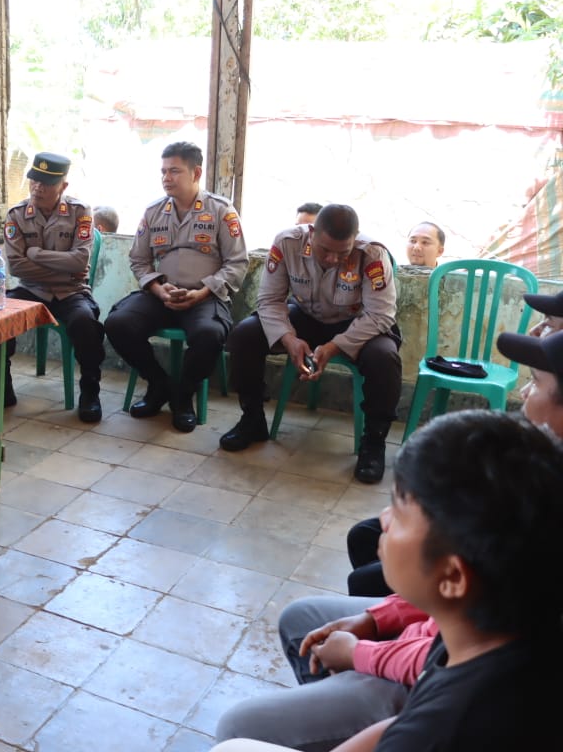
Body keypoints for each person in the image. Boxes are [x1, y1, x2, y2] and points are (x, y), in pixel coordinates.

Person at [212, 409, 563, 752]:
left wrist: (360, 655)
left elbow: (413, 729)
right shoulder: (488, 624)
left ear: (452, 577)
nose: (382, 519)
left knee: (232, 744)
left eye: (399, 510)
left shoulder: (443, 729)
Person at [344, 288, 563, 598]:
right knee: (366, 538)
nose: (535, 331)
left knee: (365, 580)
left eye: (550, 322)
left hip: (481, 583)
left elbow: (498, 568)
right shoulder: (539, 440)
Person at [220, 204, 401, 484]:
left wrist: (335, 346)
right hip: (305, 315)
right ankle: (252, 419)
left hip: (356, 322)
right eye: (325, 250)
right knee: (244, 335)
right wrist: (288, 338)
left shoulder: (372, 254)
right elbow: (269, 300)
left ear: (354, 239)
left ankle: (374, 442)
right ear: (312, 233)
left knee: (385, 357)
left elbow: (380, 315)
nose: (332, 259)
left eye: (343, 252)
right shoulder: (287, 243)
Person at [105, 142, 248, 432]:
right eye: (163, 172)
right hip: (162, 295)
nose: (166, 178)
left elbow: (237, 263)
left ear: (195, 173)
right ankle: (159, 385)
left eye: (174, 171)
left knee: (210, 334)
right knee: (118, 323)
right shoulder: (154, 212)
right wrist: (158, 289)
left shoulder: (222, 211)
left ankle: (183, 397)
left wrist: (203, 291)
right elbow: (139, 260)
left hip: (204, 296)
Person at [0, 152, 105, 423]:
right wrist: (62, 265)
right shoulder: (17, 214)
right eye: (34, 180)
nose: (38, 187)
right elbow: (16, 267)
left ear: (63, 186)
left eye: (46, 183)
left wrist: (34, 253)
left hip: (72, 292)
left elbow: (80, 260)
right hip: (31, 290)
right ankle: (2, 387)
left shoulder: (80, 212)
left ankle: (90, 393)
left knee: (86, 323)